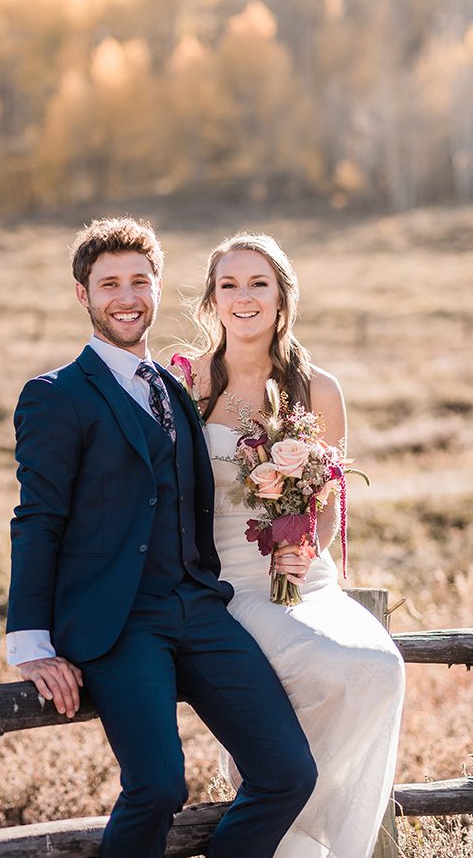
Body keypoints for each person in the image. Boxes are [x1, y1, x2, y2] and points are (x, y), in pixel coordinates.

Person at [5, 217, 317, 858]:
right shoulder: (55, 395)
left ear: (158, 287)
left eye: (139, 282)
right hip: (118, 622)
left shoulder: (177, 389)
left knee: (289, 773)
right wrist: (31, 642)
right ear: (82, 294)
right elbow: (37, 518)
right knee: (156, 786)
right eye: (109, 283)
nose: (126, 296)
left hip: (200, 607)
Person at [180, 232, 405, 857]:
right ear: (211, 301)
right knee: (312, 670)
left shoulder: (317, 389)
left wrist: (306, 548)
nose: (244, 297)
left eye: (259, 283)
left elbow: (328, 502)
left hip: (303, 576)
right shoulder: (187, 384)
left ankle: (316, 837)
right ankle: (284, 830)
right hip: (225, 581)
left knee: (378, 668)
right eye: (229, 285)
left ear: (282, 298)